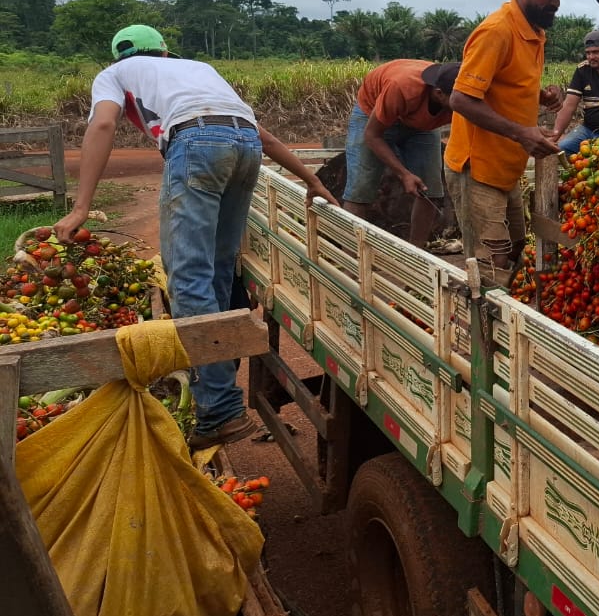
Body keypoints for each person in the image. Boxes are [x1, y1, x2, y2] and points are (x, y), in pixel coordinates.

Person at [53, 24, 340, 450]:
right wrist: (309, 179)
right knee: (219, 271)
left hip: (198, 144)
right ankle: (222, 391)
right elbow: (259, 133)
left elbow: (102, 126)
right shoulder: (197, 68)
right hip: (245, 147)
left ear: (119, 57)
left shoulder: (115, 73)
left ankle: (220, 410)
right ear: (165, 52)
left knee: (188, 276)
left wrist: (79, 208)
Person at [445, 0, 580, 287]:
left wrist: (540, 96)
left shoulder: (534, 32)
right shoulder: (497, 31)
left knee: (518, 246)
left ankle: (499, 328)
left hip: (507, 167)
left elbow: (504, 82)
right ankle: (481, 337)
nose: (556, 3)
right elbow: (461, 98)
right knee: (492, 263)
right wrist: (522, 133)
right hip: (477, 167)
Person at [344, 59, 461, 253]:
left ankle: (415, 256)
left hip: (420, 125)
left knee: (429, 189)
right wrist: (403, 174)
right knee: (360, 189)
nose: (464, 103)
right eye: (458, 99)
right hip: (373, 114)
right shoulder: (402, 87)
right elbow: (372, 136)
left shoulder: (463, 99)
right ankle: (352, 260)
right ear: (439, 94)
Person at [551, 29, 599, 153]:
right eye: (587, 53)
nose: (590, 57)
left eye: (596, 52)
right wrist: (554, 137)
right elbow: (568, 106)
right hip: (587, 129)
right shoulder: (583, 69)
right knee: (563, 148)